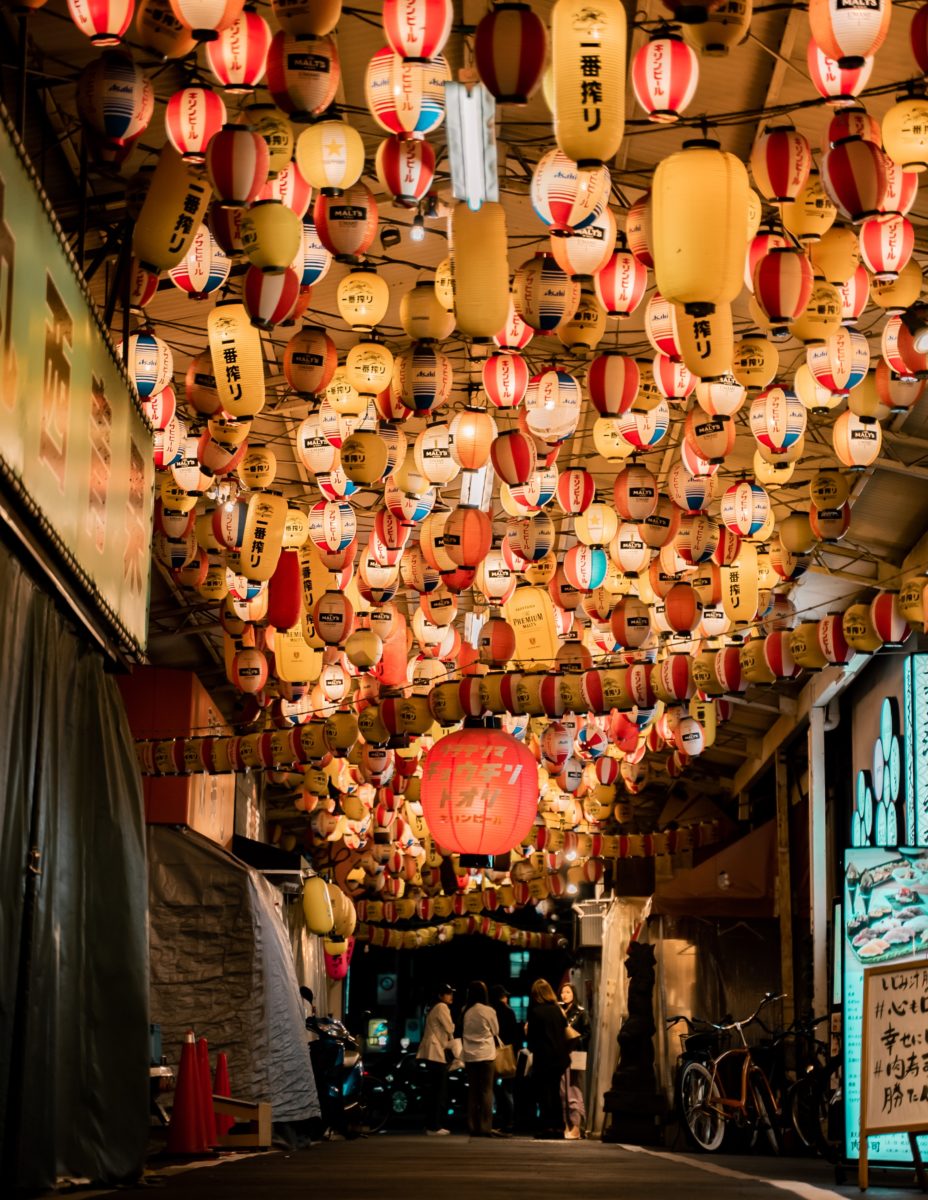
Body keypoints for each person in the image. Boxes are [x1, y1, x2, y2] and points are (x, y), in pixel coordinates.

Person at [526, 978, 571, 1140]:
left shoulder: (536, 1012)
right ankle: (559, 1127)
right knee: (555, 1091)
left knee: (544, 1093)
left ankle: (547, 1127)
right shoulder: (557, 1010)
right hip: (559, 1057)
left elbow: (532, 1039)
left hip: (544, 1057)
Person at [460, 980, 499, 1137]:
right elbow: (496, 1030)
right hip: (486, 1054)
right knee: (486, 1091)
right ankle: (485, 1127)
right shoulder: (488, 1010)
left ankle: (472, 1126)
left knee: (473, 1091)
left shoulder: (465, 1010)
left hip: (470, 1055)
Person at [417, 984, 456, 1136]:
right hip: (436, 1053)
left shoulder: (433, 1008)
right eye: (447, 993)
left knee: (433, 1090)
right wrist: (452, 1023)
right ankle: (435, 1126)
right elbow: (450, 1028)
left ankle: (430, 1125)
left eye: (451, 993)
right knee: (439, 1091)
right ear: (440, 995)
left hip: (431, 1052)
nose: (451, 996)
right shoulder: (442, 1007)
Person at [559, 981, 591, 1140]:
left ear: (574, 994)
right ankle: (566, 1125)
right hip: (561, 1055)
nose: (564, 995)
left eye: (568, 992)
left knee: (574, 1090)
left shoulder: (581, 1012)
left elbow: (586, 1034)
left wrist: (575, 1040)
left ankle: (577, 1126)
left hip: (575, 1054)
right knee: (562, 1092)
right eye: (563, 992)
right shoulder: (559, 1011)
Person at [490, 984, 521, 1134]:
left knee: (493, 1090)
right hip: (507, 1053)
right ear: (502, 997)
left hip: (491, 1053)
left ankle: (497, 1120)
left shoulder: (490, 1011)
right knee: (508, 1090)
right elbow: (515, 1033)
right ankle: (509, 1122)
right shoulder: (508, 1011)